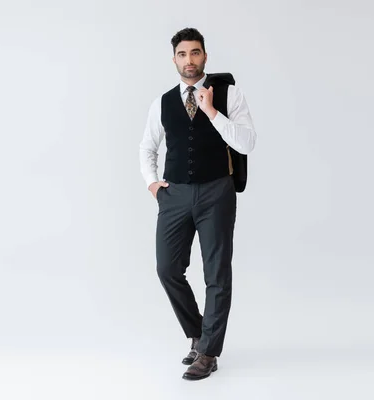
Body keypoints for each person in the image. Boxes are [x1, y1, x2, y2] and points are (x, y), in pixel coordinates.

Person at [139, 27, 257, 381]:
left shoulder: (228, 93)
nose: (189, 60)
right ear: (174, 59)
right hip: (174, 195)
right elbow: (147, 146)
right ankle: (199, 332)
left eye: (195, 53)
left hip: (216, 192)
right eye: (182, 54)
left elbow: (248, 143)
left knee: (216, 272)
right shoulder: (162, 101)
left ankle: (207, 352)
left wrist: (212, 112)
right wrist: (153, 185)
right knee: (167, 268)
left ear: (205, 55)